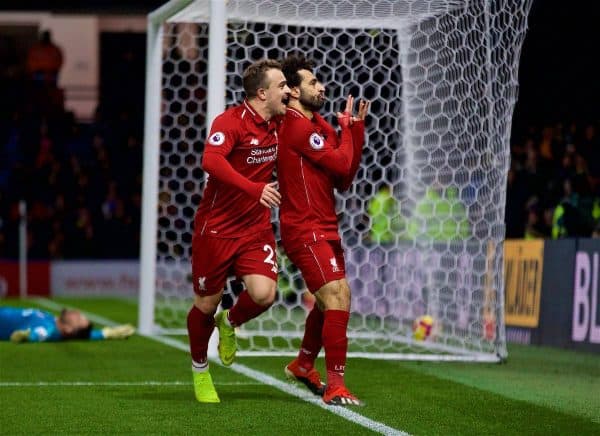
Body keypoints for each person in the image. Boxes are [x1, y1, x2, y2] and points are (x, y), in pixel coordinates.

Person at [187, 59, 290, 403]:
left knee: (264, 294)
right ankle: (200, 371)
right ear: (262, 93)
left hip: (254, 228)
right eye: (281, 86)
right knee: (205, 303)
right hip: (215, 228)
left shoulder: (279, 123)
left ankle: (229, 322)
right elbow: (210, 162)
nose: (286, 91)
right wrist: (254, 189)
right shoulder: (230, 122)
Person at [277, 55, 369, 406]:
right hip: (304, 227)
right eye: (313, 82)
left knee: (326, 299)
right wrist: (348, 131)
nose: (322, 86)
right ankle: (336, 385)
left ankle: (303, 364)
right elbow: (343, 162)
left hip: (325, 226)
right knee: (338, 295)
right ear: (295, 90)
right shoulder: (297, 126)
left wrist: (354, 129)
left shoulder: (320, 127)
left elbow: (345, 177)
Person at [0, 307, 134, 342]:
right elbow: (84, 335)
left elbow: (38, 334)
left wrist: (24, 337)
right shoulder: (53, 322)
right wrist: (107, 333)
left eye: (79, 319)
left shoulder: (49, 329)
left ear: (68, 329)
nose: (77, 312)